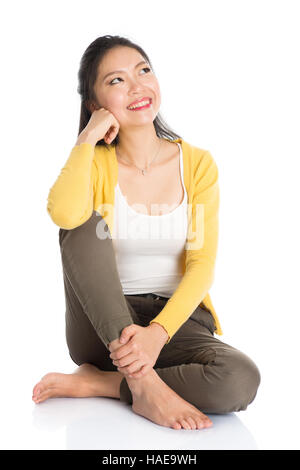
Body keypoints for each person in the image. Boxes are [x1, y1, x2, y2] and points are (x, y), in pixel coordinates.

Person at [32, 35, 261, 430]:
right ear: (95, 104)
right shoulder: (96, 164)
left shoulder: (198, 164)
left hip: (173, 325)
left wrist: (157, 334)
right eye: (116, 81)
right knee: (83, 221)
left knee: (239, 379)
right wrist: (87, 138)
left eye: (143, 70)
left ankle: (105, 383)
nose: (137, 86)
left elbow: (202, 265)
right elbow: (64, 214)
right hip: (101, 327)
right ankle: (143, 386)